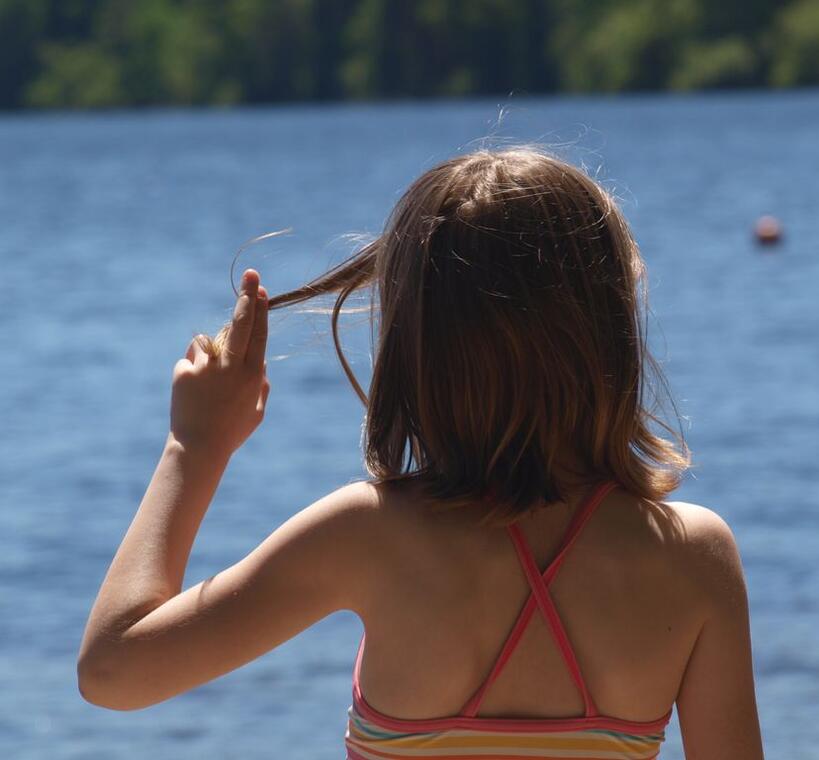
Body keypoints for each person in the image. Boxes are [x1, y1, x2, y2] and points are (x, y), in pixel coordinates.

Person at [78, 148, 764, 759]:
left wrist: (195, 447)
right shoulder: (691, 555)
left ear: (414, 349)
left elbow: (112, 673)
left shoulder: (368, 535)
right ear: (610, 330)